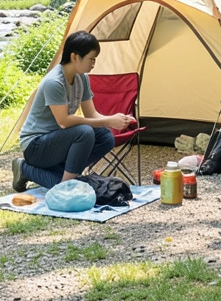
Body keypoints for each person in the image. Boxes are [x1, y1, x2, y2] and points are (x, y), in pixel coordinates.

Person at [11, 31, 131, 191]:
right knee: (84, 132)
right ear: (75, 57)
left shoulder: (82, 78)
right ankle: (28, 169)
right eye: (91, 59)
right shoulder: (54, 82)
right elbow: (64, 121)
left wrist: (114, 119)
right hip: (36, 146)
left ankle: (65, 176)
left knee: (105, 136)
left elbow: (91, 115)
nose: (94, 64)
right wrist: (108, 121)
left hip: (58, 142)